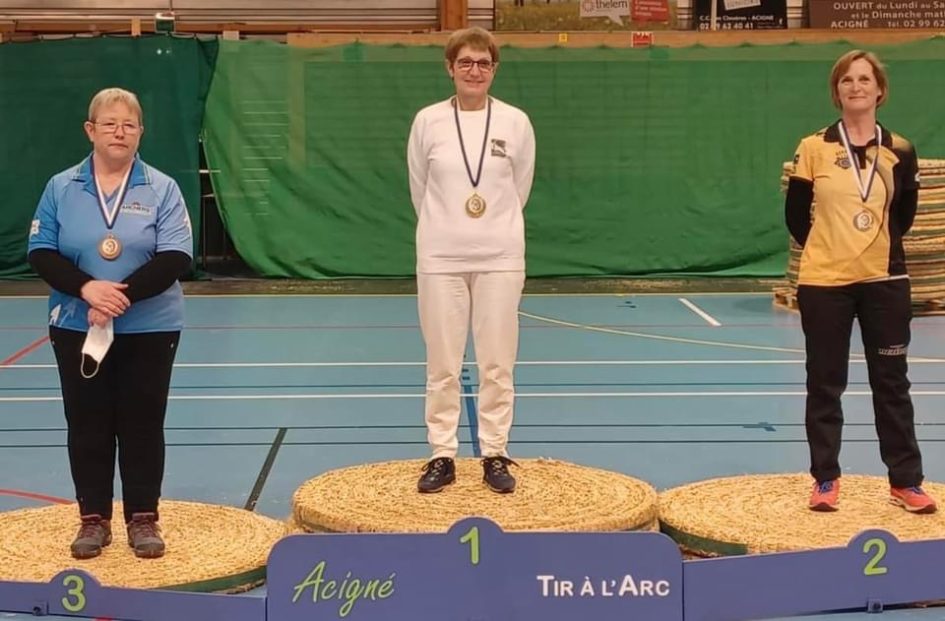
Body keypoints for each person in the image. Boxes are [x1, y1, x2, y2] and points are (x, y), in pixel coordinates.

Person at [28, 87, 193, 558]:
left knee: (143, 422)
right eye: (109, 123)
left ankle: (144, 518)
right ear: (90, 130)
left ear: (141, 132)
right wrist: (87, 289)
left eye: (129, 124)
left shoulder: (162, 187)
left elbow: (177, 255)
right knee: (87, 423)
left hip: (151, 325)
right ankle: (92, 519)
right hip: (76, 323)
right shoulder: (61, 187)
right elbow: (41, 251)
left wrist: (117, 298)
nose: (119, 132)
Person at [785, 50, 935, 514]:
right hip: (825, 283)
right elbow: (795, 217)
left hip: (884, 281)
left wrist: (872, 248)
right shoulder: (812, 147)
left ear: (880, 90)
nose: (856, 86)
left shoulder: (902, 149)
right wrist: (831, 248)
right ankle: (826, 480)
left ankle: (905, 482)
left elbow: (903, 215)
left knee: (892, 383)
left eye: (865, 79)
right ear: (837, 91)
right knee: (825, 383)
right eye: (847, 80)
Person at [407, 27, 536, 494]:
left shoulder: (517, 122)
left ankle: (495, 453)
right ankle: (442, 454)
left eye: (483, 63)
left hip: (500, 257)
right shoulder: (427, 122)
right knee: (442, 363)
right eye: (466, 63)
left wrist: (490, 228)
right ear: (450, 68)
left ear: (494, 69)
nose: (474, 71)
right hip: (440, 257)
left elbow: (519, 187)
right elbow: (419, 188)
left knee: (497, 363)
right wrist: (448, 229)